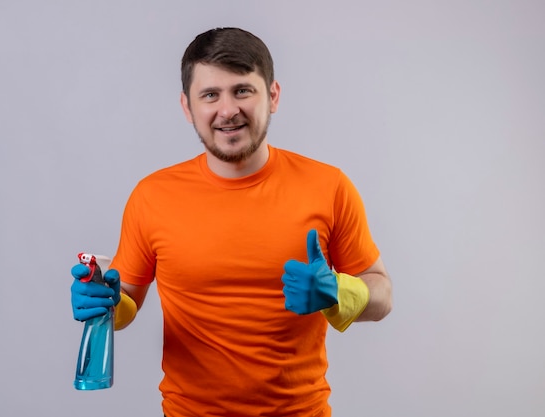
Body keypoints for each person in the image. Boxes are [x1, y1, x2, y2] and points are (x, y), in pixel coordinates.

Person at [71, 27, 392, 417]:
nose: (227, 110)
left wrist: (341, 292)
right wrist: (103, 301)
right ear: (188, 107)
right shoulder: (151, 196)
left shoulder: (329, 186)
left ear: (272, 96)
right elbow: (127, 303)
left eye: (242, 90)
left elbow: (382, 294)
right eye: (210, 95)